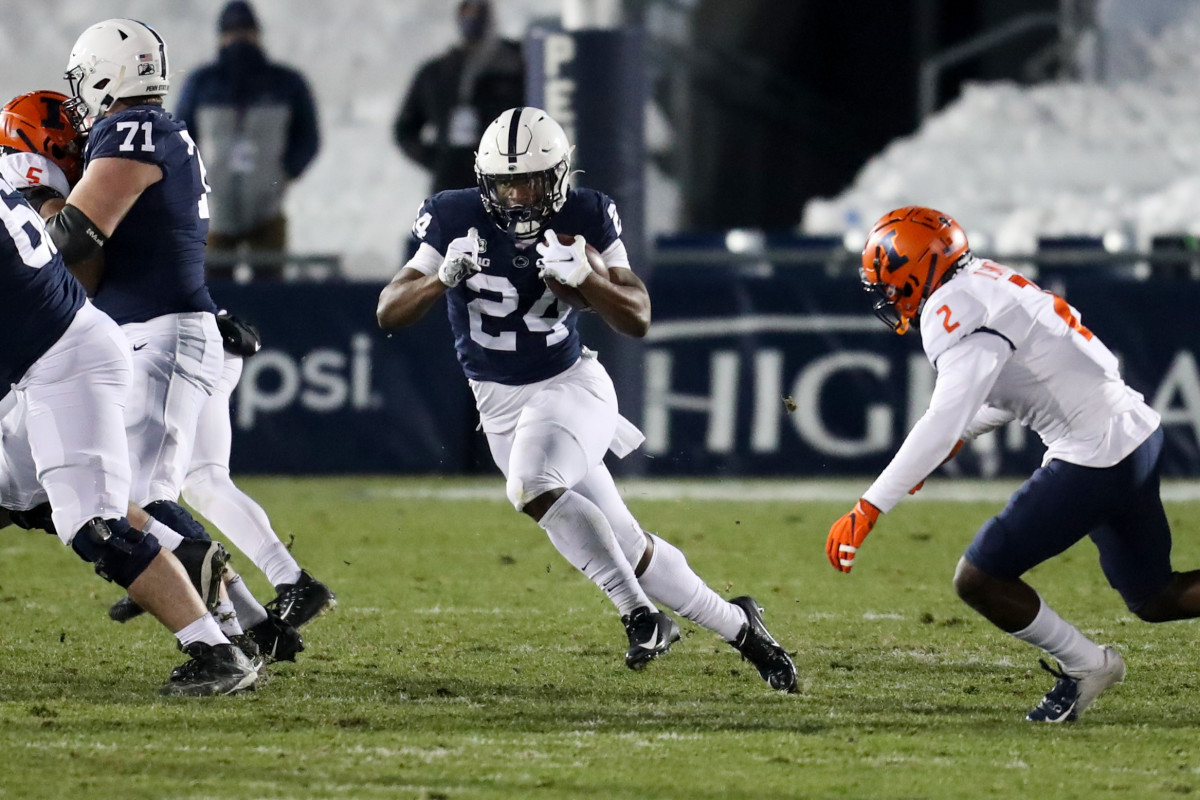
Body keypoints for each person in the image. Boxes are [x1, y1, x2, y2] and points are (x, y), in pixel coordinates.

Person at [377, 107, 797, 692]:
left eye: (529, 181)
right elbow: (388, 311)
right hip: (497, 405)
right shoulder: (452, 214)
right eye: (504, 183)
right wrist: (439, 277)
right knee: (629, 546)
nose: (517, 196)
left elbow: (639, 316)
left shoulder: (587, 215)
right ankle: (746, 631)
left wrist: (589, 281)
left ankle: (640, 618)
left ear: (559, 176)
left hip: (571, 386)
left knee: (529, 484)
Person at [824, 205, 1200, 722]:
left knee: (979, 578)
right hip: (1134, 433)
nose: (886, 295)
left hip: (1097, 453)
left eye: (889, 281)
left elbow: (943, 418)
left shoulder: (951, 308)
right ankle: (1091, 665)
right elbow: (1009, 388)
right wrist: (956, 440)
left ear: (916, 268)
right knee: (1157, 597)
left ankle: (1089, 666)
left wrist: (869, 507)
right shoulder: (982, 278)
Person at [47, 19, 308, 660]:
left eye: (86, 79)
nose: (82, 95)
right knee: (139, 496)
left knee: (145, 499)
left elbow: (77, 236)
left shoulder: (132, 129)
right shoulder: (155, 130)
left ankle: (228, 639)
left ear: (108, 74)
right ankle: (254, 630)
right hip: (153, 329)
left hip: (160, 333)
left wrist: (34, 201)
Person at [0, 171, 257, 696]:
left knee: (95, 526)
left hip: (64, 365)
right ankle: (199, 569)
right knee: (29, 503)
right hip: (46, 361)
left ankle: (217, 652)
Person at [174, 0, 320, 279]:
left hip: (267, 207)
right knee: (209, 293)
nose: (239, 38)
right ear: (221, 37)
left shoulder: (285, 83)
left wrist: (285, 172)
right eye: (232, 31)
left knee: (269, 292)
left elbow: (308, 136)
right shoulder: (202, 83)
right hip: (214, 210)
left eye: (245, 30)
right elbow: (180, 138)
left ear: (257, 34)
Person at [393, 0, 525, 195]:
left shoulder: (516, 65)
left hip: (505, 181)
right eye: (467, 13)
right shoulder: (437, 73)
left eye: (477, 13)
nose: (472, 21)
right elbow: (405, 130)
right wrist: (439, 159)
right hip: (451, 183)